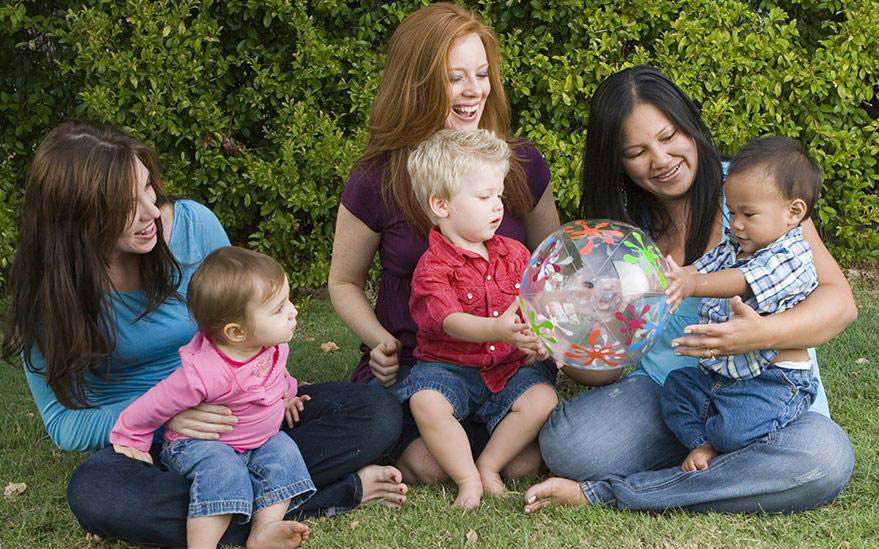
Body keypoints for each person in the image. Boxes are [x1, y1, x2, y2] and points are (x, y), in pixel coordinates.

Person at [3, 121, 406, 547]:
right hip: (157, 447)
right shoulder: (49, 294)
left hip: (246, 419)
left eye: (148, 189)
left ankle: (224, 512)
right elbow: (64, 423)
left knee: (376, 412)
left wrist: (278, 387)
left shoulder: (194, 227)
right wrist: (165, 416)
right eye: (125, 204)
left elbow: (247, 324)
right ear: (77, 216)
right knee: (96, 492)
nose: (151, 212)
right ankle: (323, 497)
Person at [522, 66, 857, 514]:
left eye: (668, 136)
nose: (659, 159)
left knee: (824, 458)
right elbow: (604, 372)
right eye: (637, 151)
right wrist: (568, 339)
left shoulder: (753, 193)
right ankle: (725, 465)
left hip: (766, 396)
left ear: (691, 126)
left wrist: (762, 334)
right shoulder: (620, 238)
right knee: (570, 446)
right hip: (676, 395)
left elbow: (840, 303)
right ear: (617, 162)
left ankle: (621, 492)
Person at [328, 2, 561, 484]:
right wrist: (381, 343)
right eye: (455, 78)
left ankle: (484, 446)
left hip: (505, 359)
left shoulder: (517, 164)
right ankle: (451, 444)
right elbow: (344, 281)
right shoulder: (378, 177)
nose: (473, 91)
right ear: (417, 82)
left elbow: (553, 267)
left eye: (481, 74)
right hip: (422, 363)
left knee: (521, 463)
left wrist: (546, 336)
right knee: (428, 465)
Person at [111, 247, 315, 548]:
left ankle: (264, 530)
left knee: (285, 451)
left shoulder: (272, 345)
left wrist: (287, 396)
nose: (293, 310)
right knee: (223, 471)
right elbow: (154, 403)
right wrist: (130, 436)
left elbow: (277, 375)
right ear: (237, 332)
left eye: (287, 301)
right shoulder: (205, 373)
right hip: (202, 446)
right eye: (278, 308)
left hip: (259, 441)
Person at [396, 129, 557, 508]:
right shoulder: (432, 266)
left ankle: (488, 464)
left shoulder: (515, 254)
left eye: (498, 194)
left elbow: (535, 305)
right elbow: (448, 320)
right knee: (426, 402)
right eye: (485, 197)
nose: (497, 206)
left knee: (544, 398)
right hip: (450, 368)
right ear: (441, 205)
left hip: (508, 369)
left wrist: (537, 337)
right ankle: (467, 479)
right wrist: (497, 328)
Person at [662, 136, 822, 472]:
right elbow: (708, 264)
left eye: (748, 214)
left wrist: (691, 285)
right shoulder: (739, 243)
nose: (735, 224)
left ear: (793, 212)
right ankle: (703, 448)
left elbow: (743, 279)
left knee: (733, 430)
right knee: (675, 390)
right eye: (732, 211)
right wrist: (678, 275)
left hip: (774, 380)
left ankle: (729, 446)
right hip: (725, 375)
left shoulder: (790, 255)